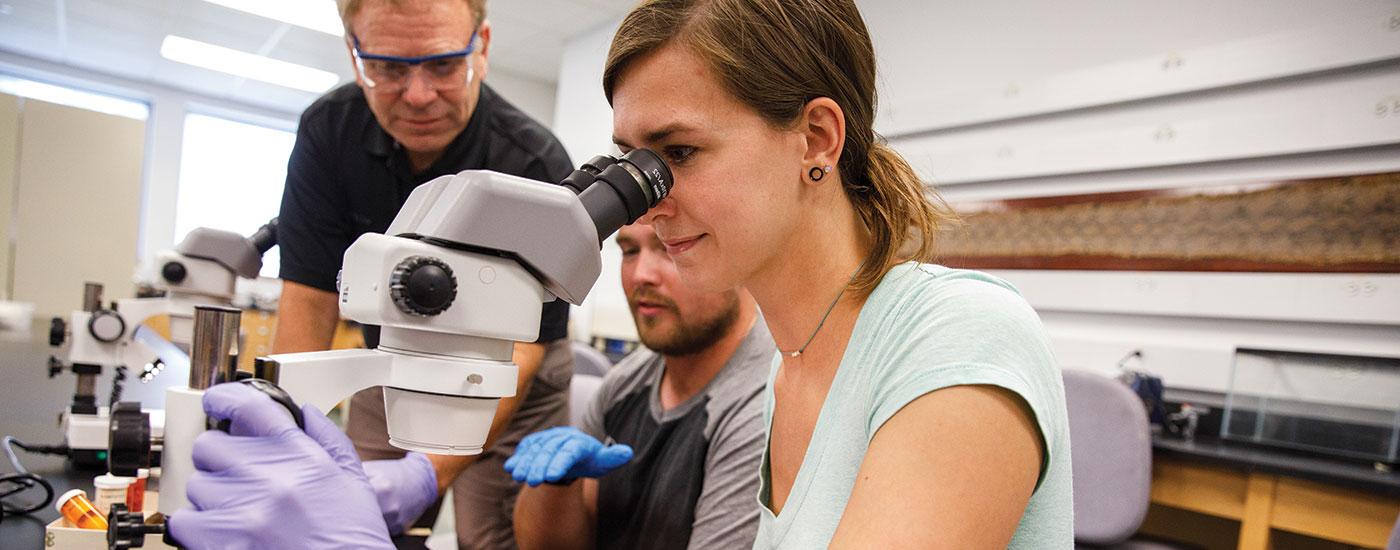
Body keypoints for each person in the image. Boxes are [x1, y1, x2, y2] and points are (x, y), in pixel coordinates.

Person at [168, 1, 1073, 548]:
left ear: (817, 139)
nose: (638, 203)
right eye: (629, 163)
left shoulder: (955, 342)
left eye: (677, 152)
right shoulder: (793, 370)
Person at [272, 0, 575, 546]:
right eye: (389, 68)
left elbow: (528, 344)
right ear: (353, 53)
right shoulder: (329, 134)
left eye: (440, 65)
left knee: (490, 535)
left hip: (511, 366)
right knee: (349, 516)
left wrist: (428, 473)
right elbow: (308, 300)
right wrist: (278, 437)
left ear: (481, 47)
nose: (417, 96)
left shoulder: (533, 162)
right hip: (391, 354)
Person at [508, 221, 773, 550]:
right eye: (629, 251)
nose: (640, 275)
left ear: (743, 257)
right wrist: (557, 486)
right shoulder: (625, 383)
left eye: (671, 246)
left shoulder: (763, 406)